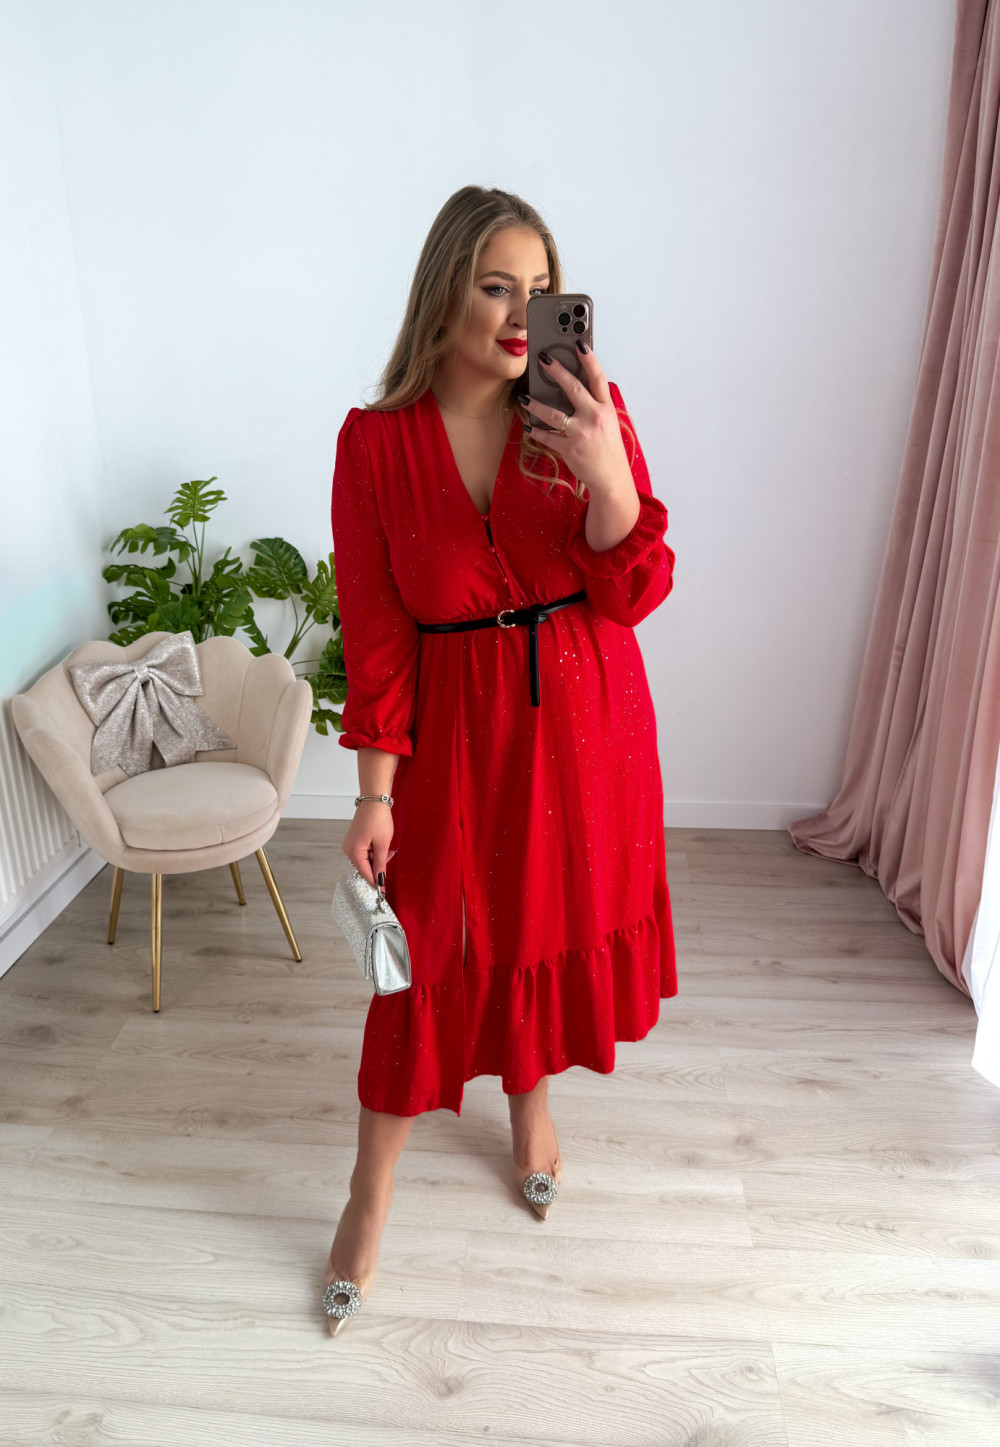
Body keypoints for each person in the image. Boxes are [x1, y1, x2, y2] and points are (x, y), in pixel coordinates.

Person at [322, 185, 676, 1335]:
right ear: (444, 293)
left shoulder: (585, 409)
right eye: (494, 287)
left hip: (584, 715)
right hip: (454, 728)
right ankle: (367, 1197)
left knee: (534, 920)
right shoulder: (375, 444)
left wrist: (604, 467)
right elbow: (377, 632)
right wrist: (374, 795)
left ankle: (530, 1105)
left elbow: (633, 589)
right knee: (420, 959)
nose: (523, 315)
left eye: (540, 290)